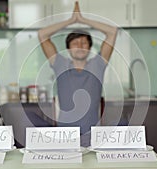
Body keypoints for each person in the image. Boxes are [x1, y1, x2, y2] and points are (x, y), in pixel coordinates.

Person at [38, 1, 117, 146]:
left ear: (90, 47)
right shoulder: (60, 64)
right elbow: (42, 34)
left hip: (93, 136)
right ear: (68, 49)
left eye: (84, 43)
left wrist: (82, 19)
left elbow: (113, 31)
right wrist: (70, 20)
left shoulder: (97, 64)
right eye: (75, 43)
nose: (80, 46)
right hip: (65, 136)